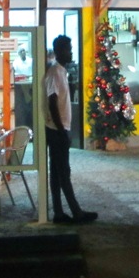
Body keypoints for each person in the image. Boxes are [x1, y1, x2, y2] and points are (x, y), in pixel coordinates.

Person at [42, 35, 98, 225]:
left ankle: (59, 212)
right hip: (56, 129)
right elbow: (52, 101)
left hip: (59, 128)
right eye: (68, 49)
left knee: (57, 172)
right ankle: (76, 211)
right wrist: (61, 130)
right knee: (63, 171)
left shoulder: (61, 72)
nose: (71, 52)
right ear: (59, 51)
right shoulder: (54, 72)